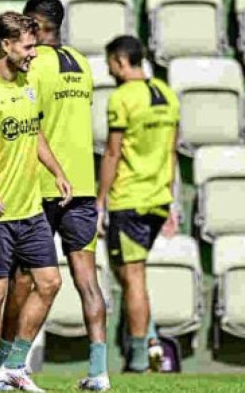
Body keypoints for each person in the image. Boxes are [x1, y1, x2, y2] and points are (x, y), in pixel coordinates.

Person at [0, 0, 110, 391]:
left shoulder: (33, 68)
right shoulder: (82, 63)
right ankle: (98, 370)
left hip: (37, 189)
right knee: (87, 281)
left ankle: (7, 363)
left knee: (21, 283)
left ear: (34, 26)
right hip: (81, 184)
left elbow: (32, 127)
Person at [0, 11, 70, 392]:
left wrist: (56, 170)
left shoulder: (28, 84)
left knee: (50, 282)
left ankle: (14, 365)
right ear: (5, 45)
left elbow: (34, 131)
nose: (33, 54)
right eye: (27, 47)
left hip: (31, 209)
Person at [97, 35, 179, 373]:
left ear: (119, 61)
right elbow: (172, 151)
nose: (108, 69)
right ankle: (153, 340)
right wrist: (172, 201)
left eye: (109, 63)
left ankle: (140, 361)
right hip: (159, 198)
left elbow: (113, 153)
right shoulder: (168, 94)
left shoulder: (122, 98)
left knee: (132, 278)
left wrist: (100, 200)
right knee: (130, 275)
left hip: (129, 199)